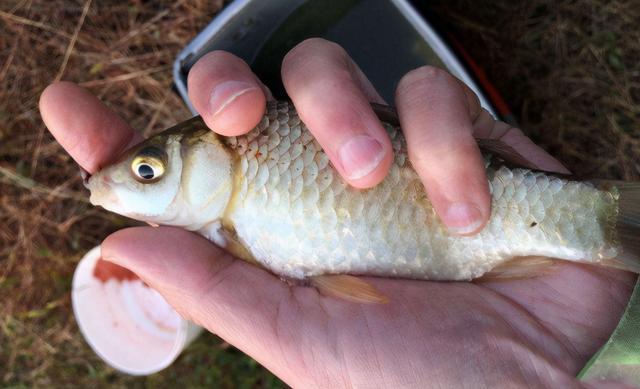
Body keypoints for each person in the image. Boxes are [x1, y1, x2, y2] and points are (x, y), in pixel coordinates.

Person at [40, 38, 635, 387]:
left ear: (217, 164)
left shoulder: (234, 225)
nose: (131, 181)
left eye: (149, 170)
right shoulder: (222, 240)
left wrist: (621, 340)